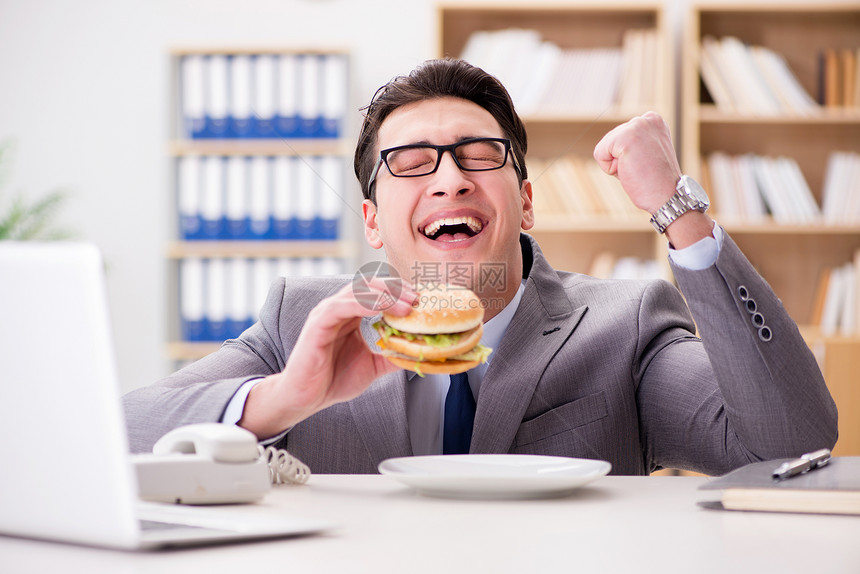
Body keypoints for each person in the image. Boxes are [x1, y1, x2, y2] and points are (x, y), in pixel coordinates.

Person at [123, 58, 837, 476]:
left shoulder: (627, 326)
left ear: (525, 203)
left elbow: (792, 442)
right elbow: (121, 431)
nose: (448, 181)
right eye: (410, 163)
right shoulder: (302, 320)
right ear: (373, 220)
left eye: (478, 154)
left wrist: (678, 209)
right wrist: (285, 397)